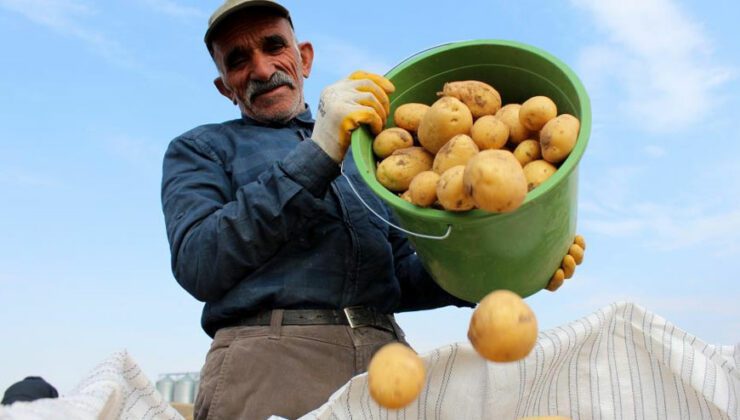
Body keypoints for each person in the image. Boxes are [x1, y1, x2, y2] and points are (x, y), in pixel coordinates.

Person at [161, 1, 583, 418]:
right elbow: (200, 261)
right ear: (224, 86)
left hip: (387, 362)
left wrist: (506, 268)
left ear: (303, 58)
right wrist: (319, 151)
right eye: (238, 60)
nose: (261, 67)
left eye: (274, 46)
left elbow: (401, 274)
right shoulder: (201, 149)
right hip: (272, 361)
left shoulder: (369, 155)